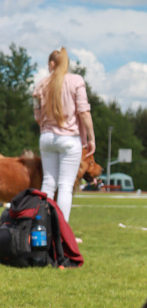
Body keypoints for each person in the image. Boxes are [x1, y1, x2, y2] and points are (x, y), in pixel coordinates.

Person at [33, 47, 95, 222]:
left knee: (48, 184)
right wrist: (91, 138)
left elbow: (37, 115)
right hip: (69, 139)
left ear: (52, 64)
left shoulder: (42, 84)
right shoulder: (76, 81)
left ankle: (42, 226)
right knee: (65, 186)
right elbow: (84, 112)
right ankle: (61, 232)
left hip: (46, 138)